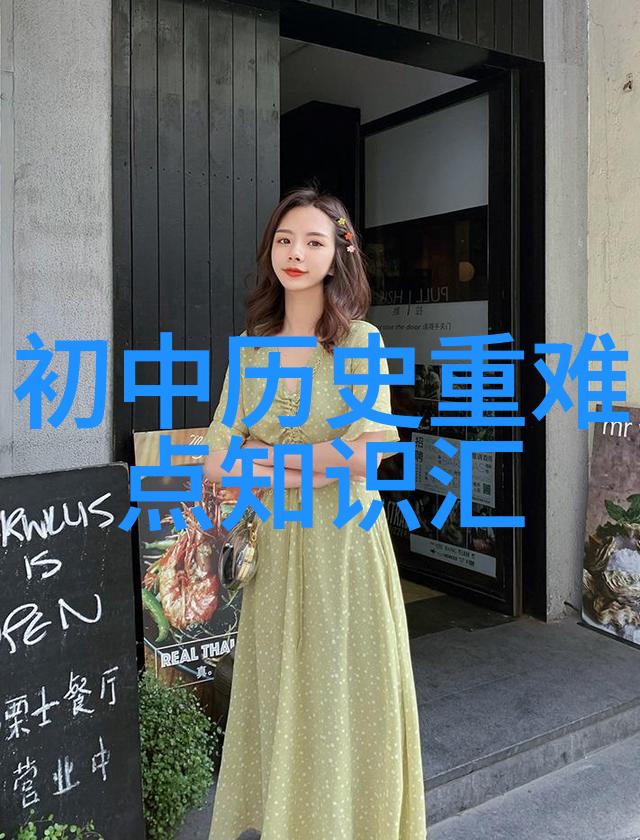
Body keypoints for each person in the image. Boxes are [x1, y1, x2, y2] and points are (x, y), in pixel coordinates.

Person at [204, 188, 427, 839]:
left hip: (347, 547)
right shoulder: (252, 350)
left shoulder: (360, 341)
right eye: (284, 240)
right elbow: (216, 462)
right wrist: (321, 461)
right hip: (276, 553)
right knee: (286, 694)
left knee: (346, 694)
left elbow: (373, 453)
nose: (295, 253)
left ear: (338, 254)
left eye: (312, 241)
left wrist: (270, 457)